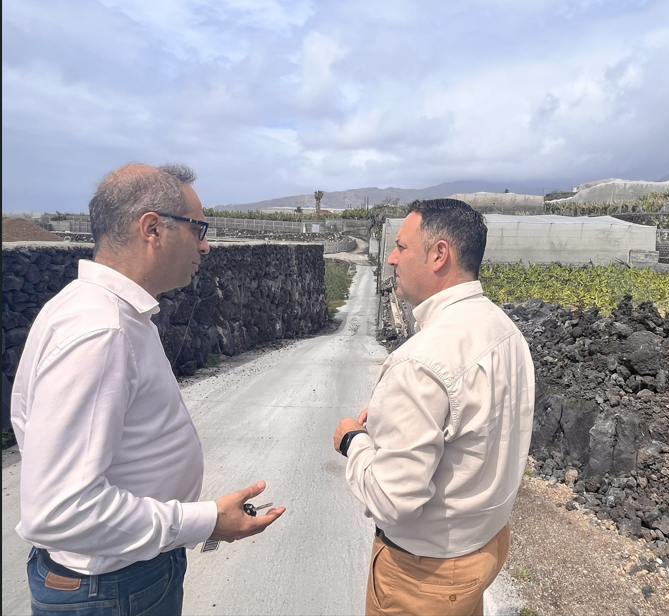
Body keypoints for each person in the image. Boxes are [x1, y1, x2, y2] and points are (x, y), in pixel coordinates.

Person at [11, 163, 286, 616]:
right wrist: (205, 520)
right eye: (198, 228)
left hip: (115, 577)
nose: (206, 244)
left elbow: (29, 425)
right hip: (111, 587)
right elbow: (58, 509)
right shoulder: (104, 330)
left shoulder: (83, 308)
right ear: (153, 229)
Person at [333, 199, 535, 616]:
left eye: (402, 247)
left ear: (439, 254)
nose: (391, 257)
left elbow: (393, 499)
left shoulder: (419, 361)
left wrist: (353, 440)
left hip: (423, 576)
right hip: (485, 547)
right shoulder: (506, 330)